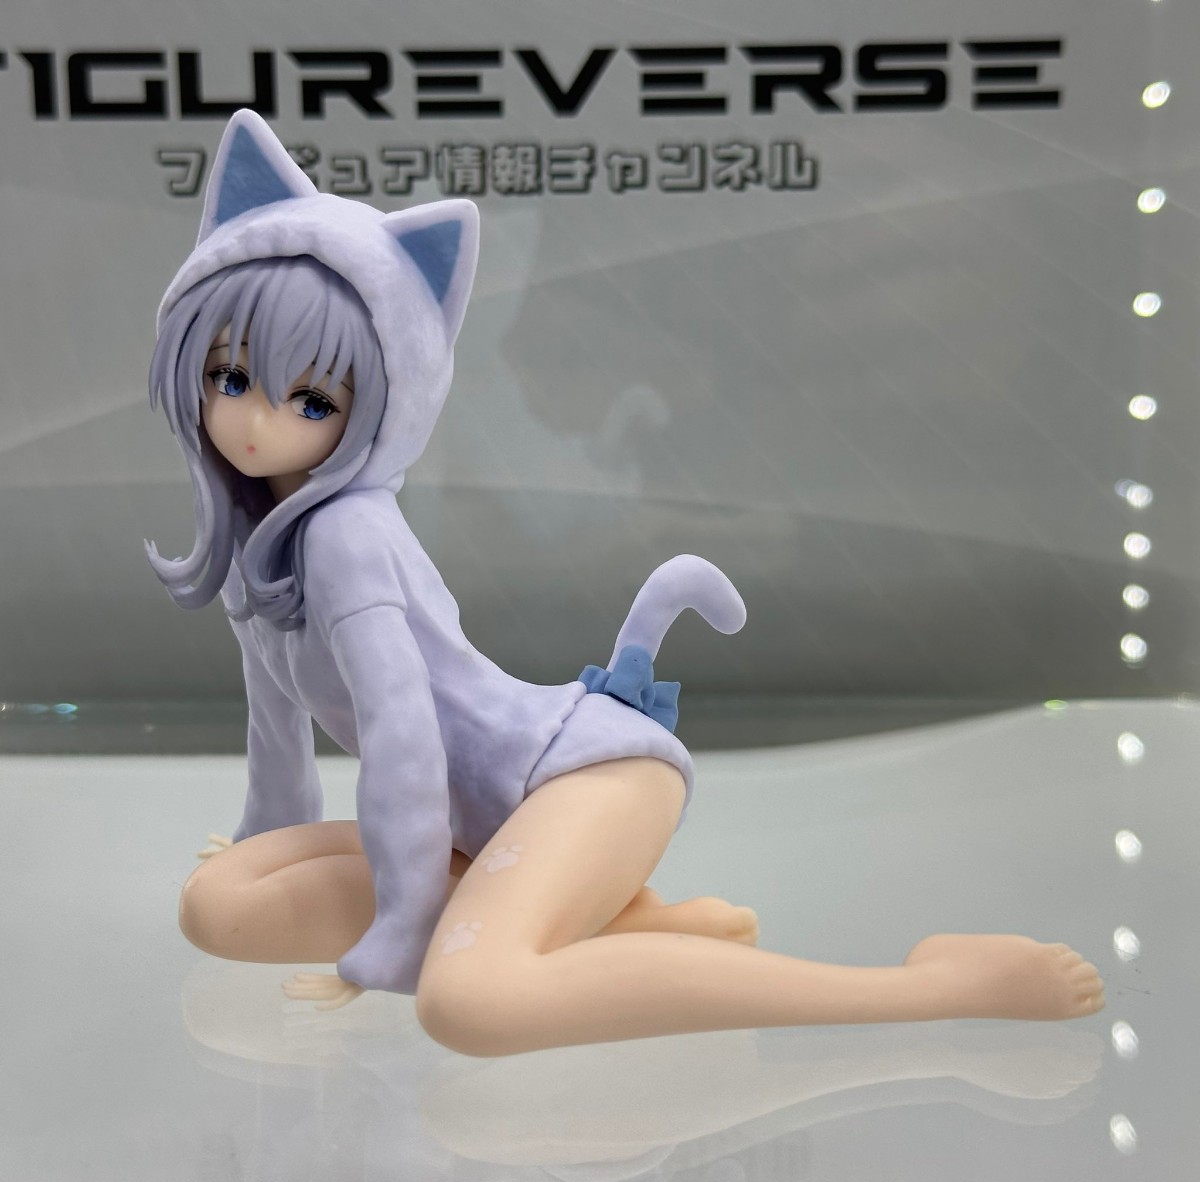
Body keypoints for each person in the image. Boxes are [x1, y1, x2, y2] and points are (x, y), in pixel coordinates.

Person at [153, 111, 1103, 1057]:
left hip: (577, 778)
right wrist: (267, 835)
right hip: (477, 822)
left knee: (469, 1003)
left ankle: (942, 985)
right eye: (230, 376)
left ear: (380, 407)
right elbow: (273, 712)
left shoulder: (344, 536)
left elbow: (402, 735)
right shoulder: (255, 537)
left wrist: (401, 929)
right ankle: (616, 927)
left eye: (312, 399)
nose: (255, 422)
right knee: (219, 904)